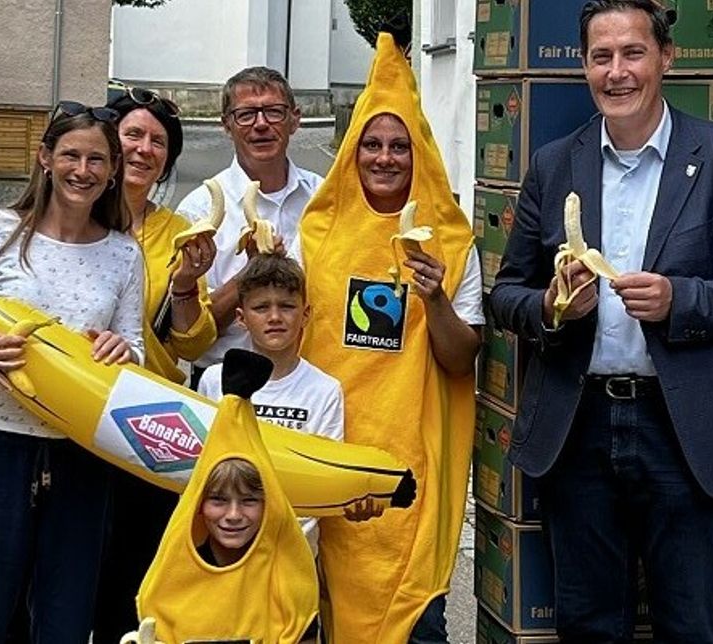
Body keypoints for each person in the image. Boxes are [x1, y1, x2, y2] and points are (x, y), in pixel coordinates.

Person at [489, 2, 713, 642]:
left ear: (666, 58)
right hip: (579, 428)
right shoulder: (553, 165)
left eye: (632, 53)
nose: (617, 72)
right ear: (583, 65)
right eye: (601, 56)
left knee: (693, 625)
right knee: (589, 626)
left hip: (685, 426)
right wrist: (554, 309)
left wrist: (681, 300)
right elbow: (505, 295)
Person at [0, 101, 145, 644]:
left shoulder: (123, 254)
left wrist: (125, 350)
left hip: (82, 453)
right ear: (45, 158)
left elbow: (135, 346)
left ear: (113, 169)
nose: (83, 170)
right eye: (70, 154)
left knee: (64, 624)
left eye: (97, 159)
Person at [297, 33, 484, 643]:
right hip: (324, 466)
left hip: (410, 476)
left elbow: (461, 361)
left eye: (399, 146)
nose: (384, 158)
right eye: (371, 144)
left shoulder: (452, 247)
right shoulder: (316, 236)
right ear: (351, 152)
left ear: (421, 154)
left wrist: (432, 298)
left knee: (415, 623)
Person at [91, 88, 218, 644]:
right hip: (74, 410)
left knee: (133, 577)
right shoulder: (73, 218)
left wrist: (187, 284)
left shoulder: (176, 232)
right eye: (133, 135)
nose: (144, 150)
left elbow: (193, 342)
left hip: (148, 424)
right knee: (69, 571)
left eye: (158, 142)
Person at [136, 349, 318, 644]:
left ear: (270, 505)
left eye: (249, 501)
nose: (233, 515)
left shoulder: (287, 581)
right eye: (219, 500)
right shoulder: (172, 582)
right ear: (197, 506)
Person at [177, 66, 323, 390]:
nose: (261, 125)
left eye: (273, 112)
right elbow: (191, 334)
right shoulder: (198, 209)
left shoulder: (323, 198)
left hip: (307, 385)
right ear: (226, 125)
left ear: (295, 120)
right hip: (225, 382)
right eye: (245, 115)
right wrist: (253, 273)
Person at [197, 253, 344, 556]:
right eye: (261, 307)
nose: (274, 317)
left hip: (293, 551)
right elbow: (204, 468)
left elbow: (322, 478)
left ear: (305, 314)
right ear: (241, 318)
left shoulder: (325, 390)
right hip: (224, 549)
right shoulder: (214, 380)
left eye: (287, 306)